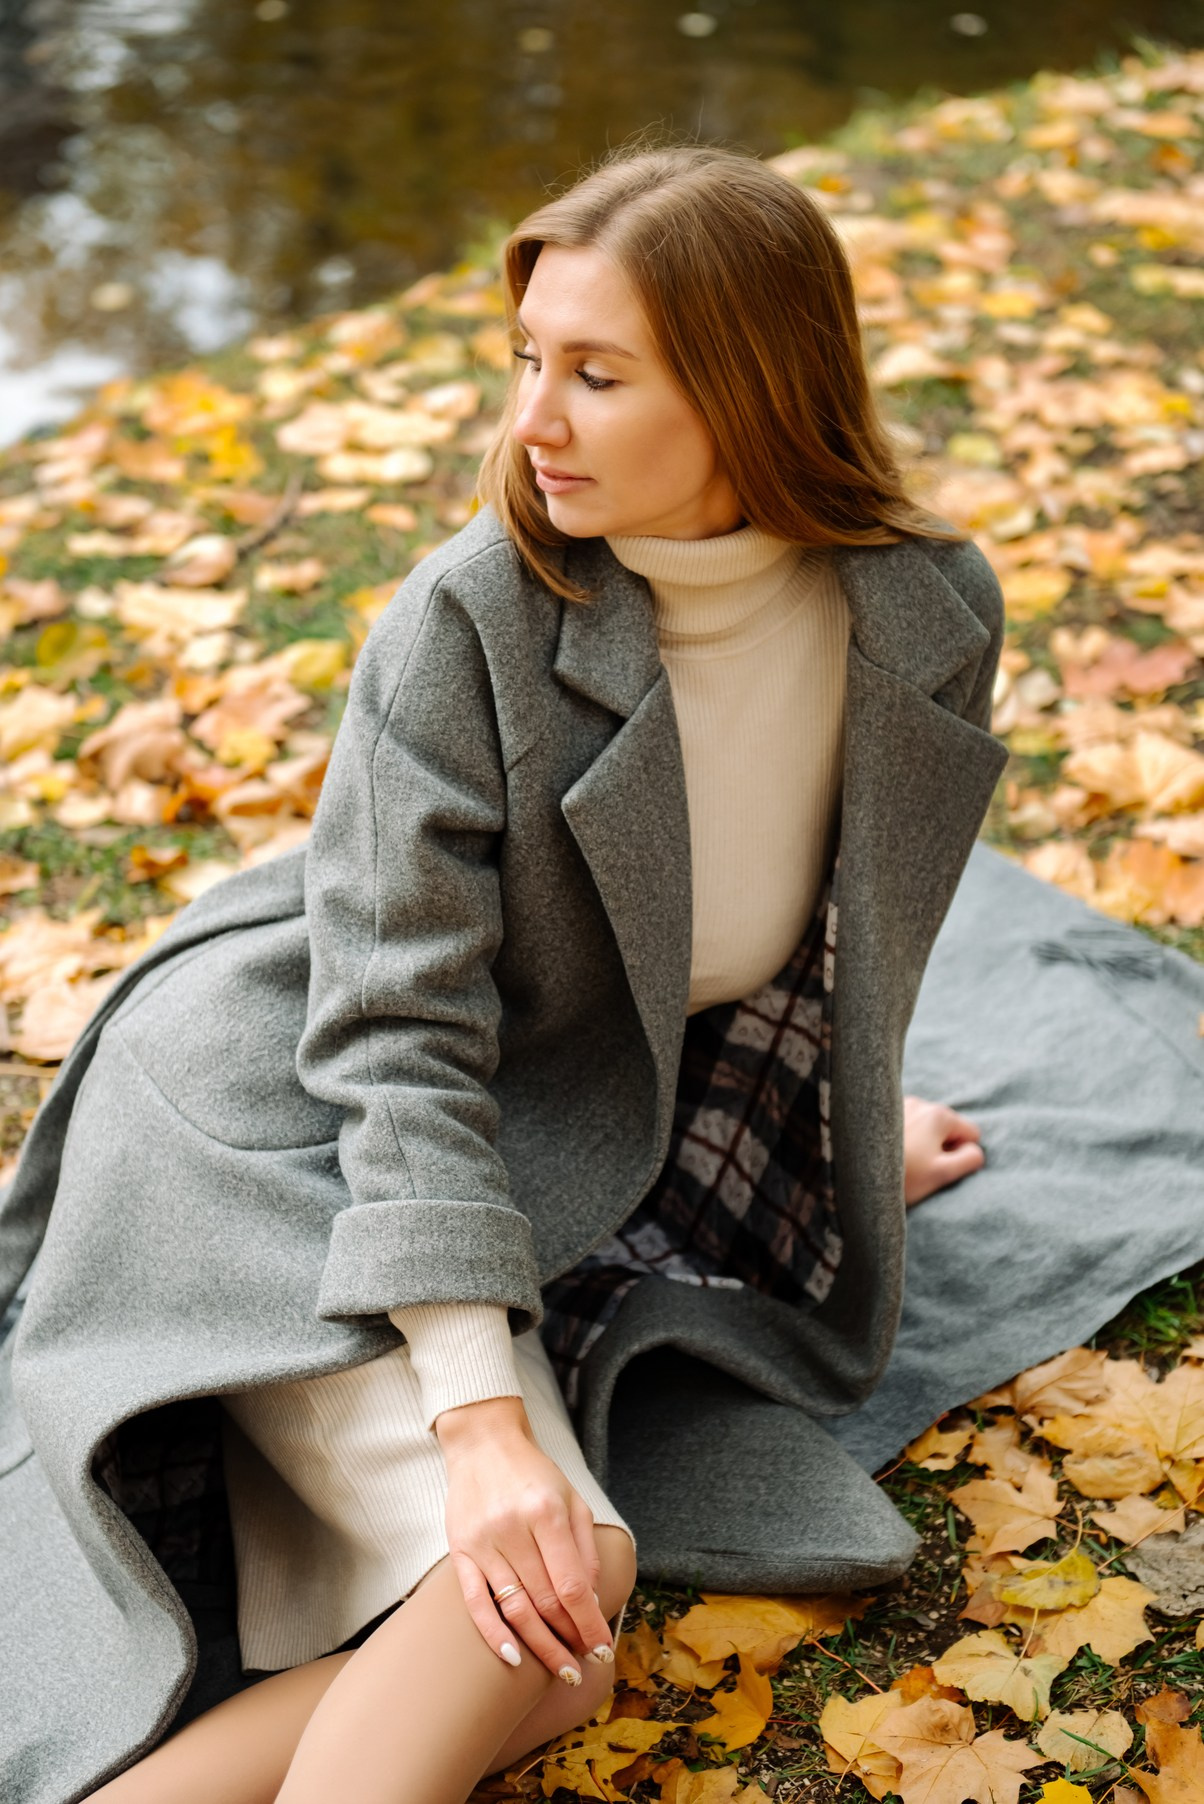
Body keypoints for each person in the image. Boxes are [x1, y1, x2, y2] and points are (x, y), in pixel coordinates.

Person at [0, 144, 1006, 1804]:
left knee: (541, 1663)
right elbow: (400, 1038)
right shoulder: (471, 620)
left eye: (596, 375)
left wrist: (840, 1136)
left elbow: (844, 928)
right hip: (282, 1124)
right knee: (541, 1594)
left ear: (755, 392)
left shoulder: (925, 611)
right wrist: (483, 1432)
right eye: (528, 358)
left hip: (521, 1098)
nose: (533, 418)